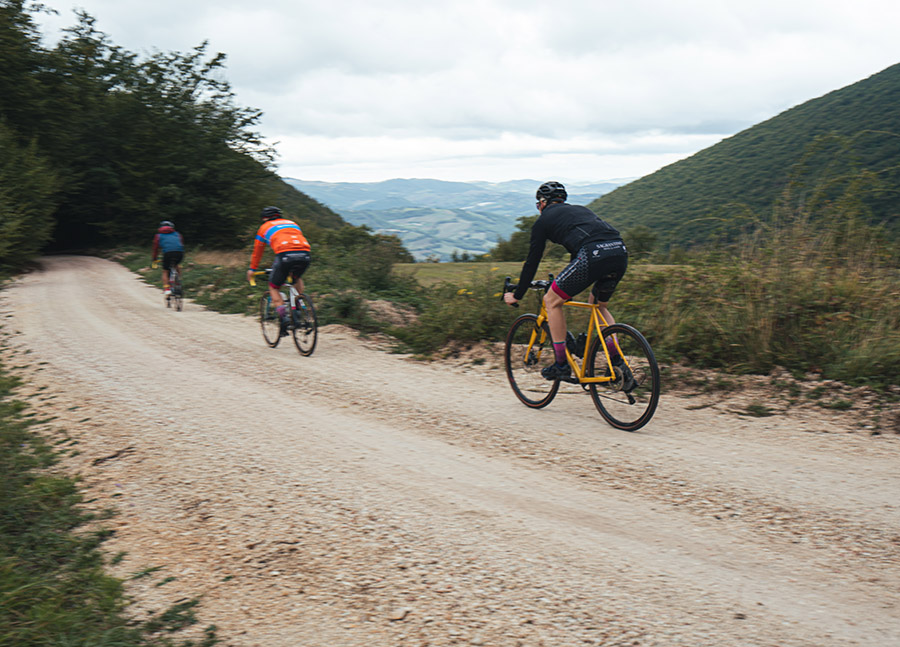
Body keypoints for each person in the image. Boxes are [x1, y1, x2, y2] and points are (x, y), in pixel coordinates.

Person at [504, 181, 628, 381]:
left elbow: (532, 262)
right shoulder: (580, 211)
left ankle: (561, 364)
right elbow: (576, 257)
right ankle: (618, 362)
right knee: (599, 305)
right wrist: (565, 284)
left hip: (593, 254)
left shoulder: (543, 221)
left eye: (538, 204)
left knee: (551, 301)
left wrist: (517, 294)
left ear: (543, 203)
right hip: (619, 251)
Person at [246, 206, 312, 332]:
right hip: (305, 254)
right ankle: (298, 304)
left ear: (264, 218)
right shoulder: (293, 223)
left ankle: (284, 318)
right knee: (296, 277)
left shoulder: (264, 228)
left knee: (274, 287)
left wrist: (252, 269)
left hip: (285, 255)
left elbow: (257, 252)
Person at [151, 220, 185, 296]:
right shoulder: (177, 234)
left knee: (165, 271)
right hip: (179, 253)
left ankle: (167, 289)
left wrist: (154, 258)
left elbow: (155, 248)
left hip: (167, 253)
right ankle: (178, 283)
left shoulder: (158, 236)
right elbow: (181, 244)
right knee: (176, 265)